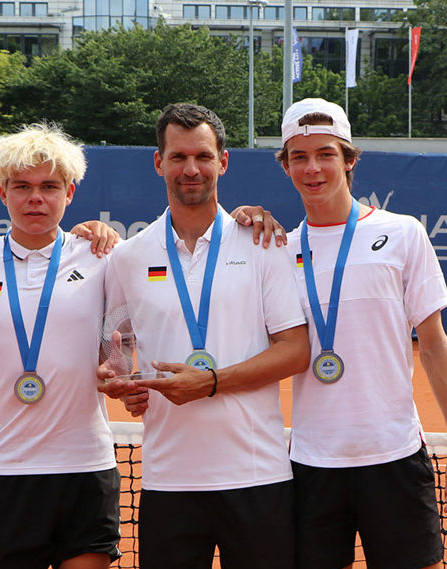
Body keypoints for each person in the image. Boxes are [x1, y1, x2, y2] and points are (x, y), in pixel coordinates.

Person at [264, 98, 447, 569]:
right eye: (298, 156)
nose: (312, 168)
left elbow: (435, 345)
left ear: (350, 159)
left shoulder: (403, 235)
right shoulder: (277, 251)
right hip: (312, 465)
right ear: (285, 166)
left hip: (396, 457)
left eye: (326, 154)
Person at [98, 103, 310, 569]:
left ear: (223, 161)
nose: (190, 169)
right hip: (168, 481)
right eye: (177, 157)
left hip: (257, 477)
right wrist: (120, 381)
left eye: (202, 156)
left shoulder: (264, 244)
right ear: (159, 163)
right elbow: (115, 349)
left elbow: (295, 351)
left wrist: (210, 382)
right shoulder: (129, 257)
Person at [0, 124, 122, 569]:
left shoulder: (103, 256)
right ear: (3, 193)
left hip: (86, 467)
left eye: (48, 187)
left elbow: (122, 346)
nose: (35, 198)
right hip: (9, 471)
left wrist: (114, 366)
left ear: (70, 193)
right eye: (22, 186)